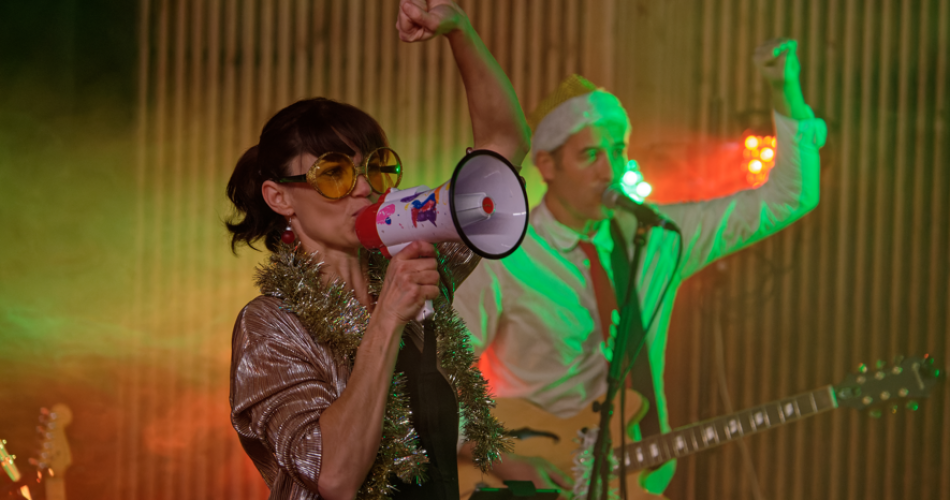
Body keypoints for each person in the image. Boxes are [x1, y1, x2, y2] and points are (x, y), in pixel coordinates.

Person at [454, 38, 827, 497]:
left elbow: (789, 197)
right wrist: (502, 458)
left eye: (617, 150)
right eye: (590, 155)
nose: (609, 170)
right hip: (537, 478)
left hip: (636, 473)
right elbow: (445, 373)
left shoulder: (657, 238)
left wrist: (783, 89)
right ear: (547, 165)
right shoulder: (508, 256)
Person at [226, 1, 531, 499]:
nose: (363, 188)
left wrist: (460, 32)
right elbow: (334, 476)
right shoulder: (269, 326)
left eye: (373, 168)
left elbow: (502, 145)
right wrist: (387, 316)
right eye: (333, 173)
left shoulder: (414, 264)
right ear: (279, 197)